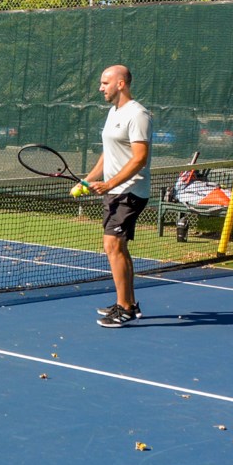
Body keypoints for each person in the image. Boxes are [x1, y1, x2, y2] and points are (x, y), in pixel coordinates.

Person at [83, 65, 151, 328]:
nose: (101, 88)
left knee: (112, 246)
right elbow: (108, 153)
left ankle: (123, 308)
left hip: (129, 192)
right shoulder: (114, 113)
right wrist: (90, 179)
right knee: (118, 248)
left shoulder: (138, 114)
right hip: (115, 191)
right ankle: (129, 303)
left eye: (104, 83)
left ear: (120, 84)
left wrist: (110, 182)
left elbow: (139, 159)